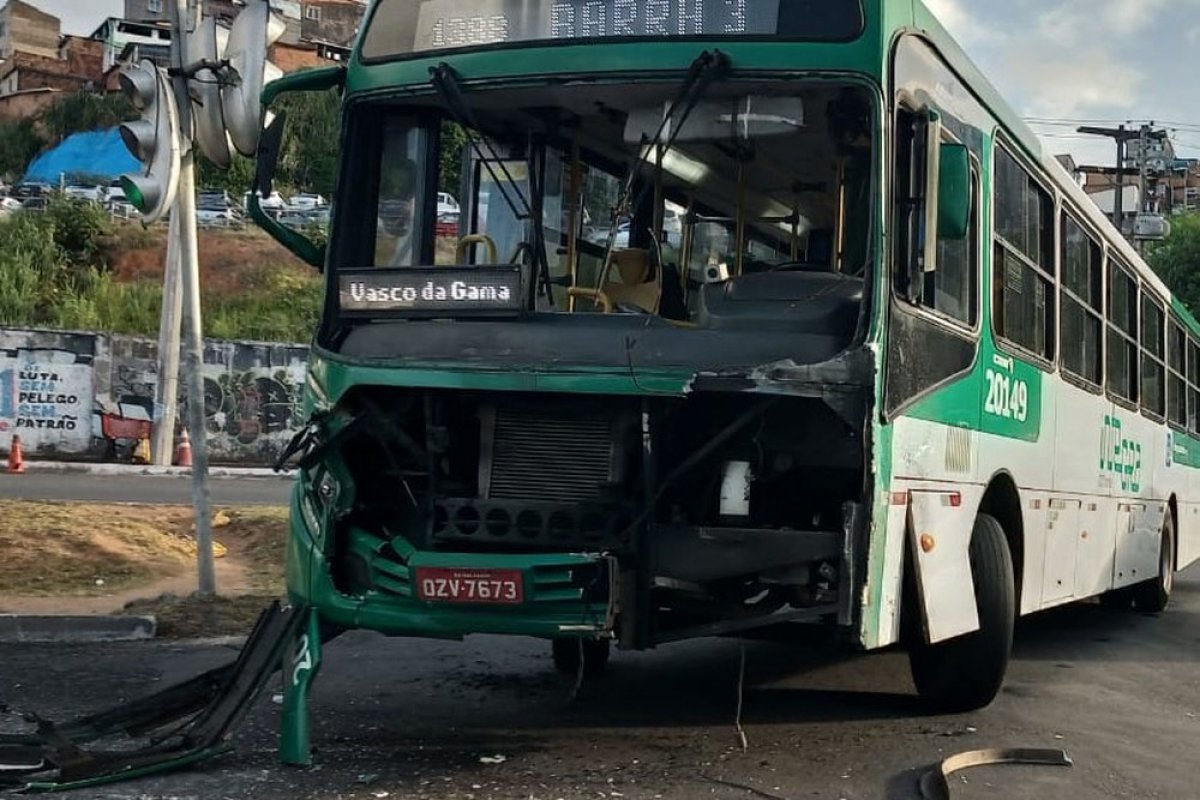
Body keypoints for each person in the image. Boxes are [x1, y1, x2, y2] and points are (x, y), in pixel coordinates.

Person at [375, 154, 418, 266]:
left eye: (404, 175)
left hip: (406, 264)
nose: (399, 178)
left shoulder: (417, 206)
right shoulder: (379, 202)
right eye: (396, 174)